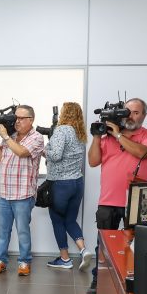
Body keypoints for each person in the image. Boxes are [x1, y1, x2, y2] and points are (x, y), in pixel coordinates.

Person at [86, 98, 147, 294]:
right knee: (103, 244)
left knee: (133, 246)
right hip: (108, 199)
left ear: (144, 115)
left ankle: (130, 282)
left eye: (136, 112)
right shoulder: (106, 137)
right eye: (127, 111)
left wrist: (118, 135)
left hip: (137, 202)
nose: (131, 116)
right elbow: (93, 161)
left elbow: (143, 153)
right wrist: (96, 136)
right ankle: (98, 280)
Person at [0, 104, 45, 277]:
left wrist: (5, 136)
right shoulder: (10, 136)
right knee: (2, 232)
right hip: (4, 192)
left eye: (21, 118)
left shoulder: (37, 138)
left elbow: (21, 152)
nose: (17, 121)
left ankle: (24, 262)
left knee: (22, 231)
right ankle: (0, 261)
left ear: (31, 120)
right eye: (16, 118)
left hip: (23, 194)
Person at [44, 101, 92, 271]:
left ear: (65, 114)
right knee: (70, 219)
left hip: (60, 184)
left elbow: (55, 155)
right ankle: (84, 250)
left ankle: (65, 259)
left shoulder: (62, 130)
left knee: (57, 220)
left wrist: (44, 149)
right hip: (77, 182)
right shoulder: (80, 133)